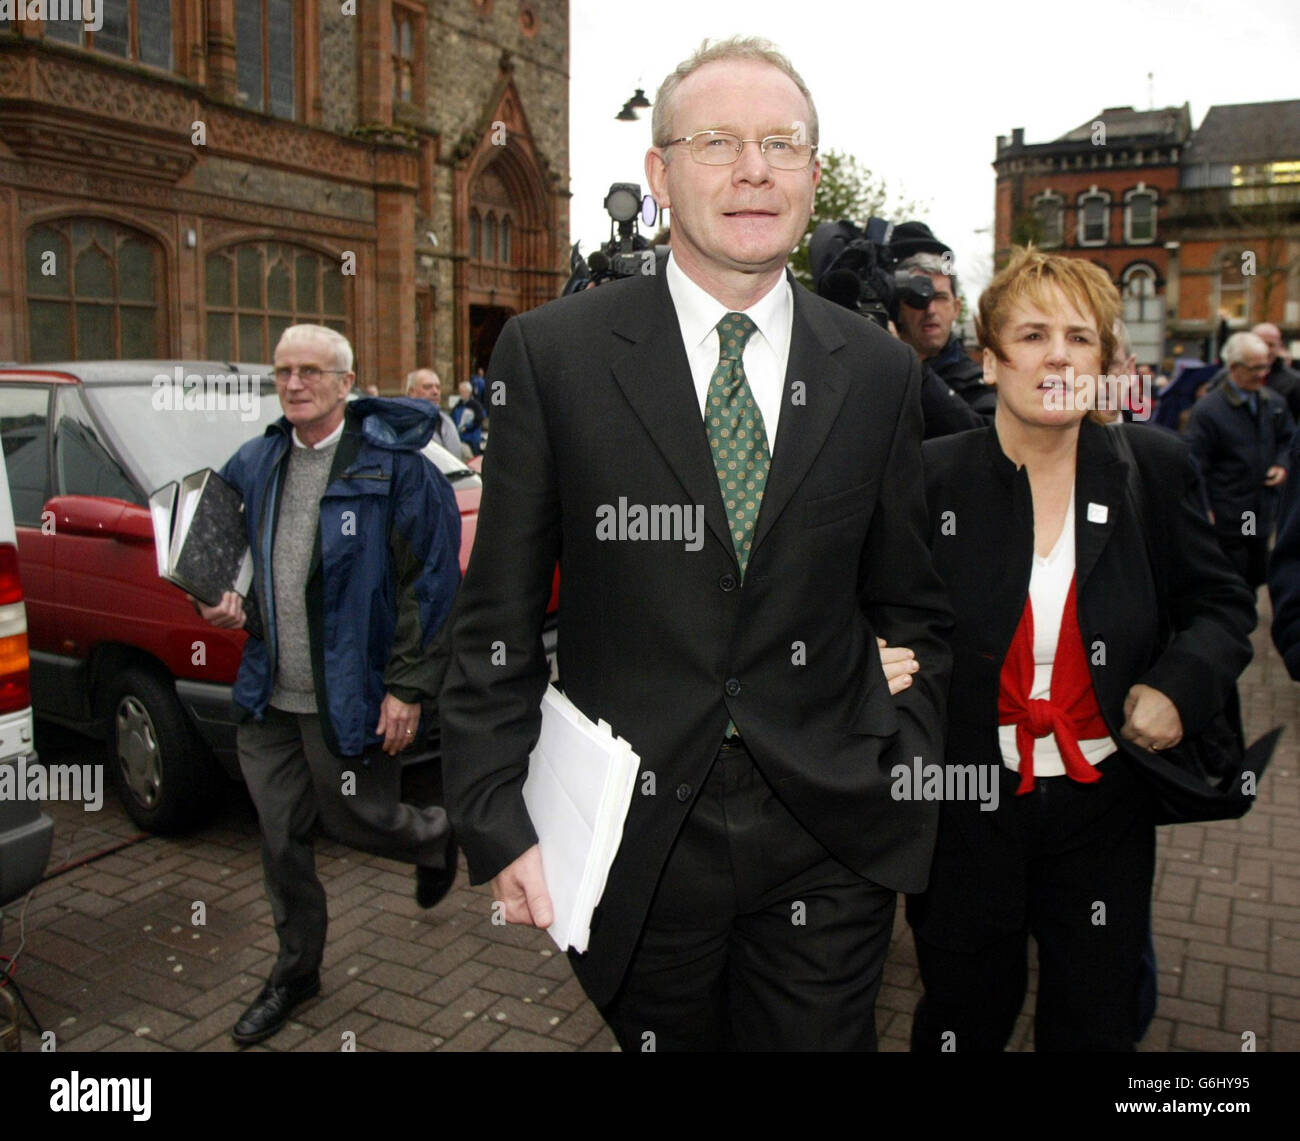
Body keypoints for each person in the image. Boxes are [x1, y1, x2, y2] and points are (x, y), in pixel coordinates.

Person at [439, 36, 953, 1052]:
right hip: (638, 838)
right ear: (660, 174)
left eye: (780, 142)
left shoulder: (876, 372)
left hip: (830, 831)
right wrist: (496, 813)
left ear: (811, 171)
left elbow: (913, 605)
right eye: (716, 140)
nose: (753, 167)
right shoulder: (553, 356)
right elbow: (497, 612)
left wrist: (908, 749)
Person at [905, 248, 1255, 1052]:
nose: (1058, 354)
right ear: (990, 360)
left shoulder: (1152, 469)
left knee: (1095, 1018)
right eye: (1032, 335)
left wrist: (1178, 685)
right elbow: (883, 610)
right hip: (967, 803)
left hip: (1106, 805)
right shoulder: (931, 479)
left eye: (1080, 336)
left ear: (1105, 362)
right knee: (962, 1013)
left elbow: (1222, 605)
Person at [196, 324, 463, 1046]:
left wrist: (407, 686)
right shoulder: (252, 463)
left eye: (311, 370)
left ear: (348, 383)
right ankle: (295, 970)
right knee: (281, 839)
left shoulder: (398, 470)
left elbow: (431, 586)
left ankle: (435, 834)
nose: (293, 383)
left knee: (357, 819)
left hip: (348, 693)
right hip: (268, 695)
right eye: (282, 370)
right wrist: (216, 603)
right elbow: (220, 565)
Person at [1183, 331, 1295, 589]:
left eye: (1265, 366)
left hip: (1259, 506)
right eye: (1255, 368)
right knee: (1236, 571)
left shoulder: (1272, 403)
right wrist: (1203, 507)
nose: (1262, 374)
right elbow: (1195, 463)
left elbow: (1287, 439)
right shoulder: (1209, 410)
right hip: (1234, 511)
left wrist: (1282, 463)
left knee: (1255, 565)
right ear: (1234, 367)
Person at [892, 221, 997, 420]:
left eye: (940, 298)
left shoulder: (976, 379)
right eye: (918, 298)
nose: (930, 310)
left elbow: (981, 439)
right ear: (898, 308)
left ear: (956, 309)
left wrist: (914, 370)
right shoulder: (874, 365)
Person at [406, 367, 468, 459]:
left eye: (438, 387)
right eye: (427, 387)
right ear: (412, 392)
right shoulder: (404, 424)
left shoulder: (447, 420)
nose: (435, 392)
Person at [1252, 322, 1300, 422]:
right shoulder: (1230, 376)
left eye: (1271, 345)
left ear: (1279, 346)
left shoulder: (1294, 382)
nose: (1266, 349)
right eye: (1261, 343)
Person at [450, 378, 487, 456]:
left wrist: (467, 428)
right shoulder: (458, 405)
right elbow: (452, 418)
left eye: (463, 392)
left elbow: (479, 419)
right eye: (460, 392)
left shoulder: (476, 405)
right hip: (459, 437)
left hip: (472, 438)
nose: (461, 394)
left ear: (469, 392)